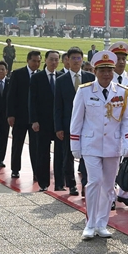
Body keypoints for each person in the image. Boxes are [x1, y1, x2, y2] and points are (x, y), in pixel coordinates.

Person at [70, 50, 128, 241]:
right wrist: (75, 144)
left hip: (113, 144)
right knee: (94, 182)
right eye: (102, 70)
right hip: (91, 143)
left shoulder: (122, 92)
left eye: (109, 70)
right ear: (95, 71)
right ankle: (90, 223)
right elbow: (77, 119)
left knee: (108, 186)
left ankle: (101, 223)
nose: (106, 74)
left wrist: (127, 141)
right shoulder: (85, 90)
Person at [55, 47, 94, 197]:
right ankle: (71, 184)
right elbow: (57, 106)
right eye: (73, 58)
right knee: (68, 155)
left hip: (88, 124)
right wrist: (58, 127)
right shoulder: (61, 80)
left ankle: (85, 183)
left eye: (79, 58)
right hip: (68, 124)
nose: (76, 61)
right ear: (67, 60)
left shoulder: (90, 78)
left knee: (87, 155)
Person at [109, 42, 128, 208]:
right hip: (110, 125)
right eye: (118, 59)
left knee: (127, 159)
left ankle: (124, 192)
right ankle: (111, 195)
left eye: (123, 59)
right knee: (112, 161)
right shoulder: (106, 78)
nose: (121, 62)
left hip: (126, 125)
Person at [6, 50, 41, 180]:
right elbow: (11, 96)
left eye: (38, 61)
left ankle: (37, 171)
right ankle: (15, 169)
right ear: (28, 60)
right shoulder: (17, 74)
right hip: (20, 116)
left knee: (35, 146)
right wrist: (10, 114)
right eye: (34, 61)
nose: (36, 64)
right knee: (17, 144)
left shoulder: (41, 75)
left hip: (35, 118)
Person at [29, 50, 61, 191]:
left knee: (60, 153)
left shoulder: (62, 77)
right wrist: (34, 120)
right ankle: (43, 183)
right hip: (42, 122)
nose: (54, 62)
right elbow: (32, 100)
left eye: (56, 60)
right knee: (43, 153)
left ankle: (59, 183)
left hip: (58, 122)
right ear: (45, 60)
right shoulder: (37, 78)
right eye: (51, 59)